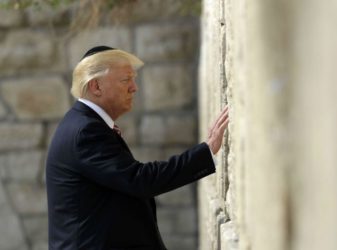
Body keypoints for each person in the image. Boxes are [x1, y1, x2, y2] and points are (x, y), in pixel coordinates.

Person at [46, 46, 229, 250]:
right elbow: (140, 180)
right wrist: (206, 150)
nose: (134, 87)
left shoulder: (84, 124)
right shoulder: (85, 132)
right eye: (125, 80)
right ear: (96, 86)